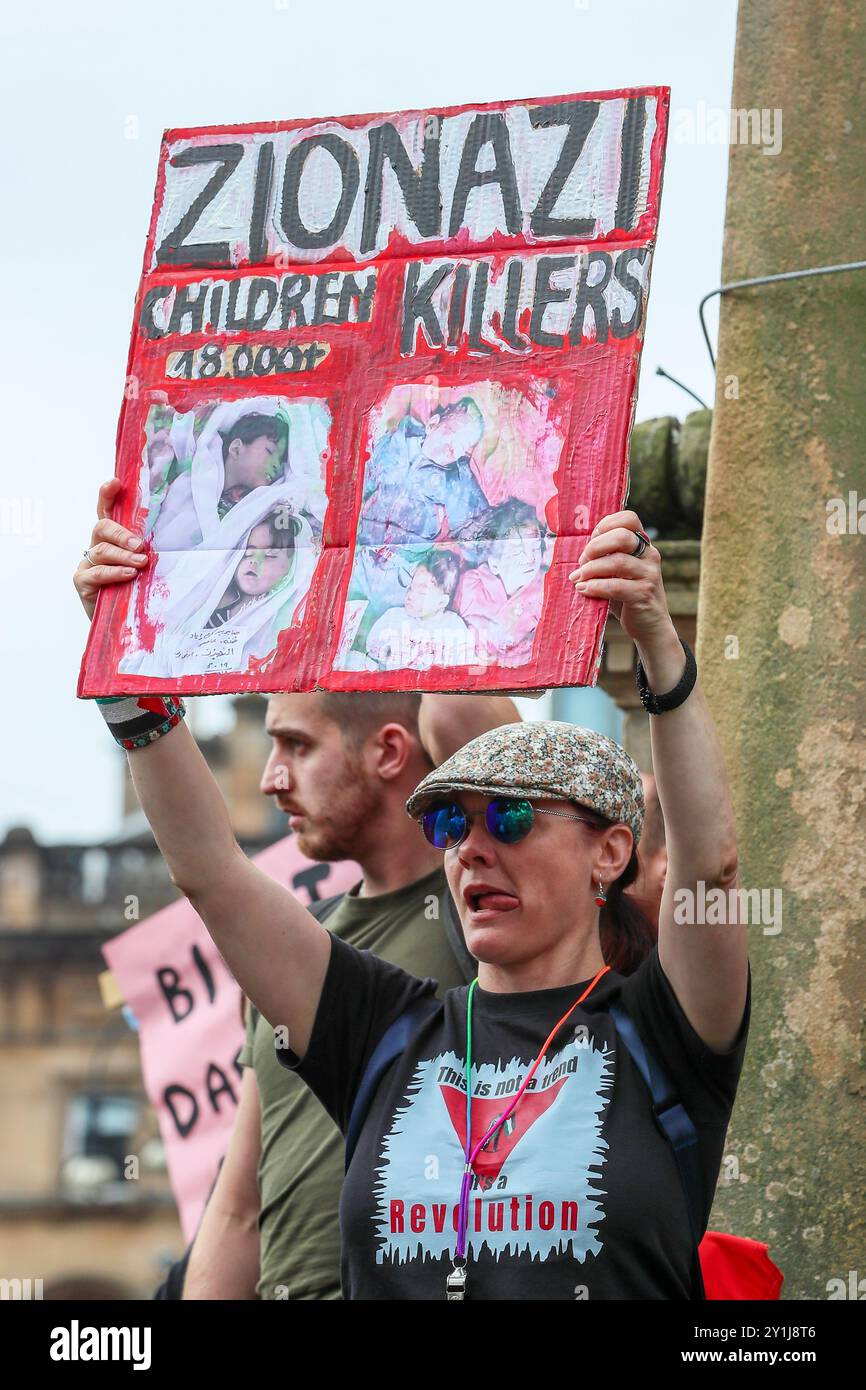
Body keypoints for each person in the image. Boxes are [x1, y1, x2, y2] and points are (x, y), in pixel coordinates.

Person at [75, 501, 749, 1299]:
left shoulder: (661, 1033)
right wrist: (127, 668)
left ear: (608, 850)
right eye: (449, 826)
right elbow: (213, 875)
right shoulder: (383, 1029)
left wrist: (658, 642)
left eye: (508, 817)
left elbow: (711, 868)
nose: (471, 849)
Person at [75, 487, 519, 1300]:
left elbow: (468, 720)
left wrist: (397, 552)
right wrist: (123, 654)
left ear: (392, 751)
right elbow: (239, 1208)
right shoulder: (304, 947)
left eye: (297, 745)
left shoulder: (492, 918)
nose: (271, 779)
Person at [455, 499, 550, 668]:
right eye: (516, 553)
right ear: (494, 564)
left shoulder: (544, 590)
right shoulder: (470, 584)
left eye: (535, 548)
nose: (530, 559)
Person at [365, 550, 475, 671]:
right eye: (411, 588)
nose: (410, 596)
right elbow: (372, 649)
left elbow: (465, 660)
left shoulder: (453, 624)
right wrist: (386, 651)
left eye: (422, 593)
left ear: (442, 602)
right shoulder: (393, 616)